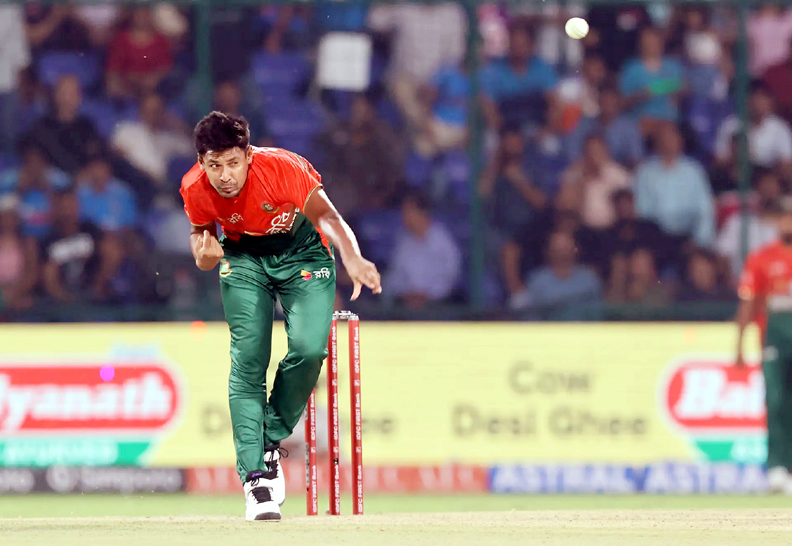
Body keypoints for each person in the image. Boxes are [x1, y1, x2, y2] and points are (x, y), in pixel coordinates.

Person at [180, 112, 381, 521]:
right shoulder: (194, 186)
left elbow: (328, 217)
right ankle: (256, 480)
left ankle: (268, 438)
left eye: (233, 163)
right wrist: (204, 253)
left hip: (304, 252)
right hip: (243, 258)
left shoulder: (281, 167)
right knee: (248, 359)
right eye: (214, 165)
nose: (225, 176)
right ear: (201, 162)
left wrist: (353, 257)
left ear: (248, 156)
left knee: (309, 350)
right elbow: (202, 236)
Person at [735, 197, 792, 493]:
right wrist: (739, 345)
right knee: (776, 400)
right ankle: (778, 467)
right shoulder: (762, 258)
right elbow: (749, 303)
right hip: (774, 338)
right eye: (784, 217)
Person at [384, 191, 462, 308]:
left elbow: (451, 275)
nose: (404, 216)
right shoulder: (403, 242)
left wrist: (428, 295)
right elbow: (395, 275)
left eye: (409, 211)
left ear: (422, 213)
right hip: (407, 304)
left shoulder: (442, 239)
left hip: (438, 304)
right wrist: (406, 294)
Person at [557, 134, 632, 231]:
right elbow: (563, 205)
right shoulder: (573, 173)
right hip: (582, 228)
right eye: (590, 151)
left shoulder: (620, 175)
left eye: (598, 150)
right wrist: (581, 183)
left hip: (613, 229)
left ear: (606, 151)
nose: (593, 155)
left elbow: (628, 209)